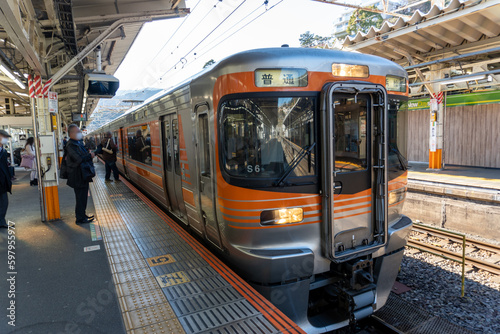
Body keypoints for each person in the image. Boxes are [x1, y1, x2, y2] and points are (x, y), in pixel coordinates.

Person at [65, 124, 95, 225]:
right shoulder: (70, 145)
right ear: (71, 133)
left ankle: (82, 215)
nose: (79, 133)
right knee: (80, 197)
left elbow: (81, 155)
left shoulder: (77, 143)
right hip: (77, 176)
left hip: (82, 175)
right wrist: (89, 155)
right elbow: (79, 159)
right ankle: (80, 219)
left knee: (83, 198)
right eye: (78, 132)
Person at [0, 129, 12, 228]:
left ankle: (2, 221)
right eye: (4, 137)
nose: (6, 139)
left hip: (2, 181)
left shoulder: (3, 151)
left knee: (4, 202)